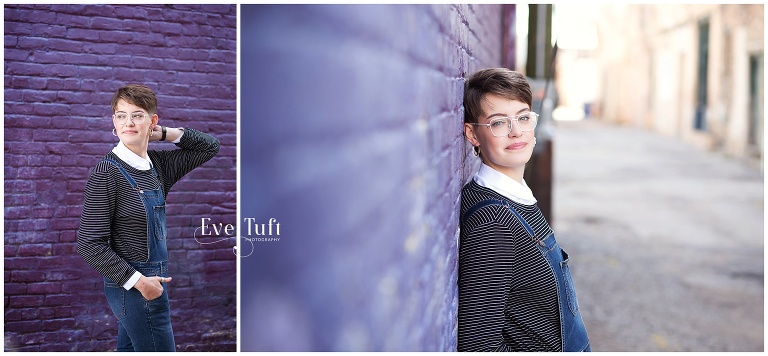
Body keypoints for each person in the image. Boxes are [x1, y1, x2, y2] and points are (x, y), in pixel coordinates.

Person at [77, 84, 220, 352]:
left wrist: (163, 135)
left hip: (152, 283)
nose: (128, 122)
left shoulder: (158, 167)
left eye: (137, 115)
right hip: (133, 286)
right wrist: (141, 283)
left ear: (152, 120)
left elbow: (209, 146)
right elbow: (89, 244)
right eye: (121, 115)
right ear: (113, 121)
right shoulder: (107, 173)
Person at [458, 68, 590, 352]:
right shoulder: (494, 223)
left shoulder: (516, 196)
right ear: (473, 134)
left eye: (523, 117)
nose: (516, 131)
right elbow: (479, 346)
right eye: (498, 123)